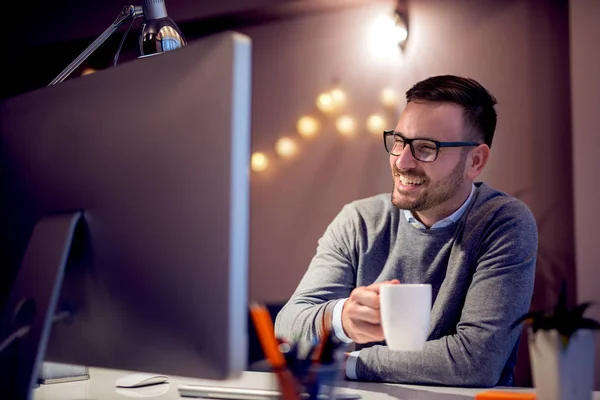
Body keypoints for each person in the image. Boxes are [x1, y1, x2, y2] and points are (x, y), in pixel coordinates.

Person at [274, 75, 538, 387]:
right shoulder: (359, 220)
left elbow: (475, 361)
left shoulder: (502, 222)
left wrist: (353, 363)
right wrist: (341, 318)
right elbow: (286, 328)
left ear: (475, 161)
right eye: (399, 141)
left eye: (427, 147)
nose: (402, 161)